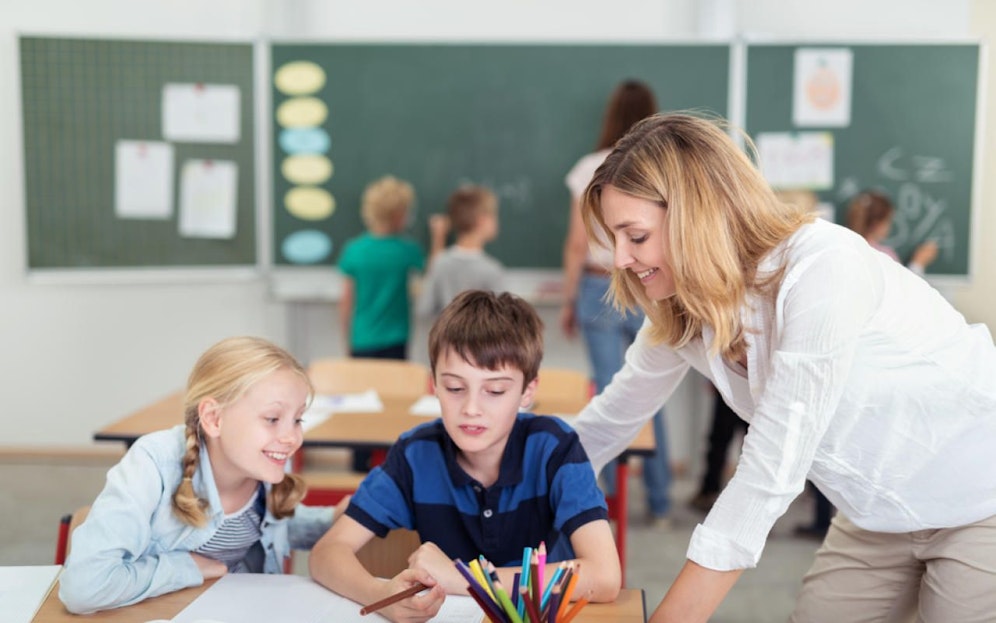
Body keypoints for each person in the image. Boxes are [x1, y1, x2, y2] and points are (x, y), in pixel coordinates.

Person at [572, 112, 996, 623]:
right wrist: (510, 477)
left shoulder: (823, 268)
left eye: (635, 237)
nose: (619, 259)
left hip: (979, 494)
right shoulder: (680, 307)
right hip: (876, 511)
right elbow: (609, 421)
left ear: (696, 218)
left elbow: (771, 467)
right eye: (614, 239)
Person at [310, 290, 621, 623]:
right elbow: (326, 552)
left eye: (495, 391)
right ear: (434, 385)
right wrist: (380, 596)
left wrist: (464, 579)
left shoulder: (555, 448)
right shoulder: (416, 454)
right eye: (455, 388)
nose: (472, 408)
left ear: (527, 391)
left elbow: (604, 576)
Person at [59, 336, 345, 614]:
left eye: (297, 419)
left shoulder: (266, 462)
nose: (291, 437)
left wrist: (330, 521)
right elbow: (85, 587)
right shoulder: (152, 464)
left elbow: (263, 526)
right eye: (272, 419)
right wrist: (185, 568)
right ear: (213, 418)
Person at [560, 79, 672, 526]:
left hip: (599, 284)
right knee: (651, 391)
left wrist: (569, 300)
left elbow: (576, 243)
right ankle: (660, 503)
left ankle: (600, 505)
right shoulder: (659, 165)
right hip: (650, 281)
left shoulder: (590, 167)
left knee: (611, 395)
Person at [338, 175, 426, 360]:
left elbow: (346, 300)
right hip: (396, 338)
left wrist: (347, 340)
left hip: (361, 338)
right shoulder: (407, 250)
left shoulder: (354, 250)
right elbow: (431, 273)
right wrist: (439, 237)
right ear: (399, 215)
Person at [416, 184, 504, 318]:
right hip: (481, 333)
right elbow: (503, 319)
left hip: (446, 331)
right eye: (493, 216)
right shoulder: (492, 270)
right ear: (482, 220)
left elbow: (424, 308)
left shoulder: (441, 263)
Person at [846, 188, 939, 274]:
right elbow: (901, 285)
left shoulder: (846, 249)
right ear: (878, 224)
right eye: (889, 220)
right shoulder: (884, 256)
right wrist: (918, 263)